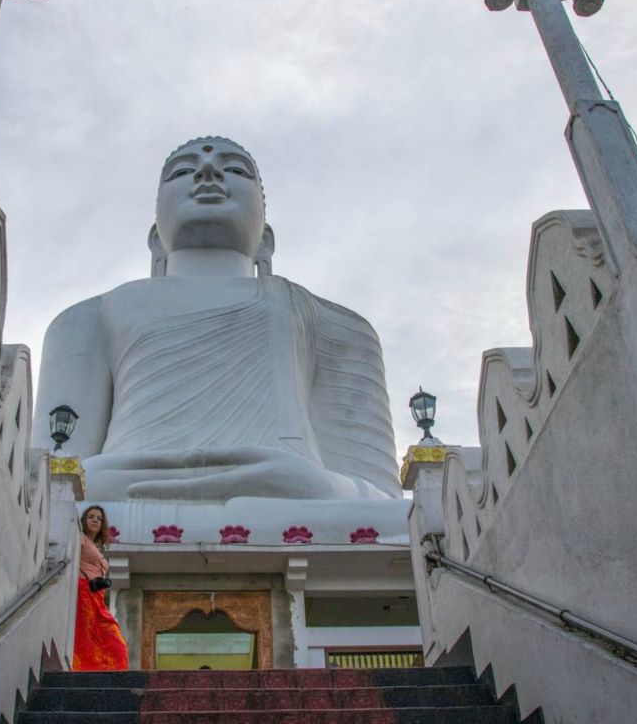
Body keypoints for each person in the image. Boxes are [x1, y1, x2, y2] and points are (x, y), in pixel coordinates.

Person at [33, 137, 401, 502]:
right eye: (183, 171)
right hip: (118, 495)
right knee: (80, 489)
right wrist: (94, 478)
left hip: (295, 498)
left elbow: (386, 502)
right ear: (156, 240)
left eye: (235, 169)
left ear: (266, 242)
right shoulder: (88, 317)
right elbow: (43, 486)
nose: (208, 172)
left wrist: (321, 487)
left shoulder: (331, 321)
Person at [72, 505, 129, 671]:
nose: (95, 520)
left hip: (96, 596)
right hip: (83, 592)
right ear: (84, 520)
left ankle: (108, 672)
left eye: (99, 518)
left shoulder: (96, 546)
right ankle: (83, 669)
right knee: (85, 635)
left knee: (115, 642)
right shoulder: (79, 538)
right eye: (91, 516)